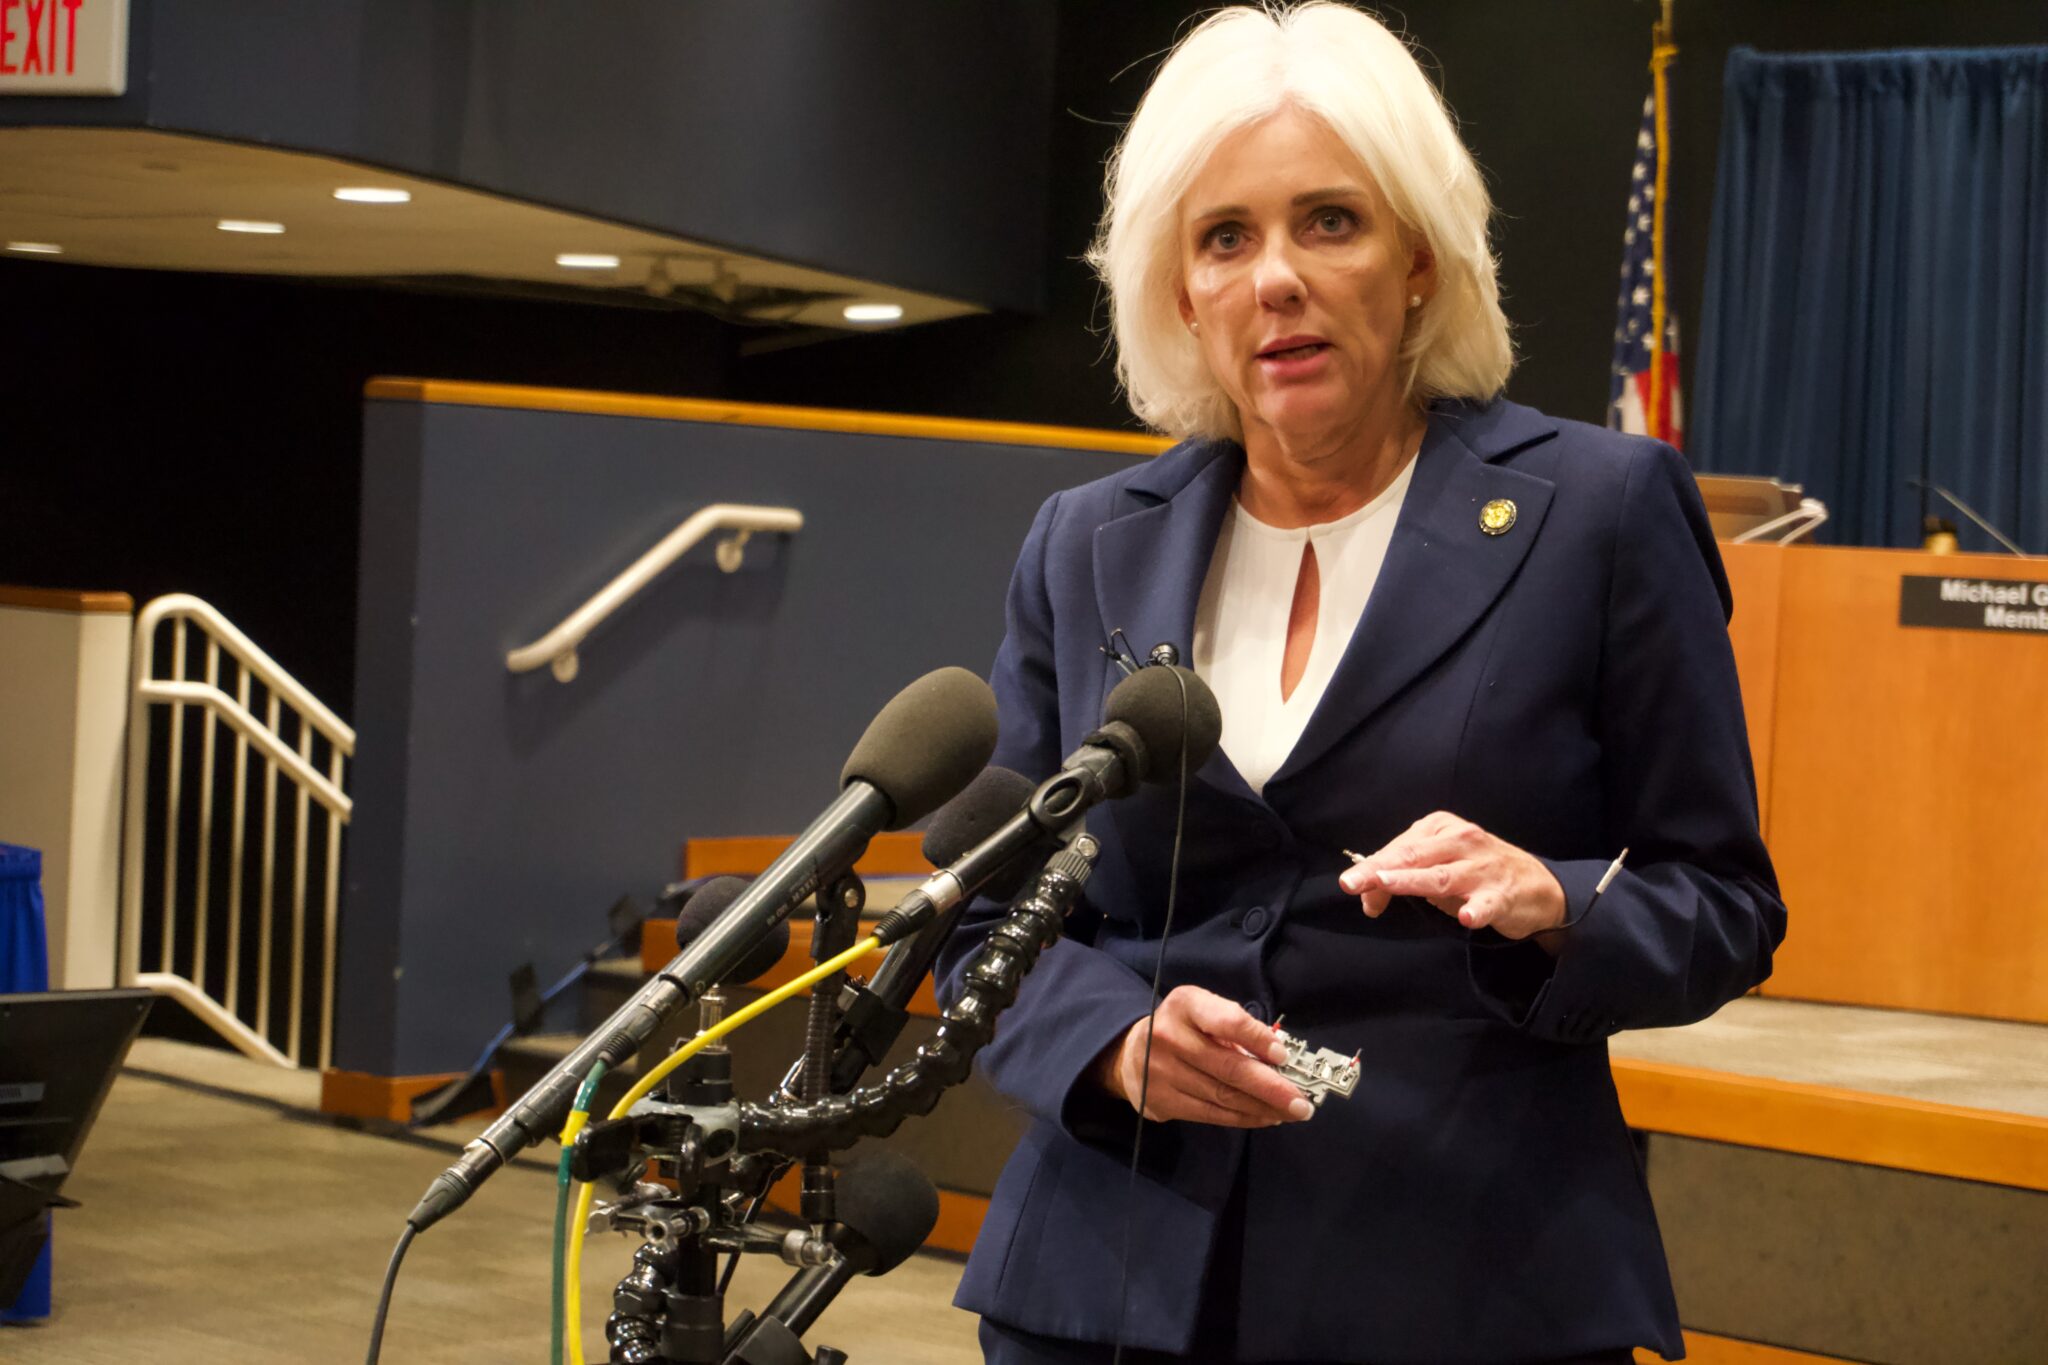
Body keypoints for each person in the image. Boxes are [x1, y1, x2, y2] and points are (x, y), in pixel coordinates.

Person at [934, 5, 1787, 1363]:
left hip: (1469, 1279)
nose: (1275, 276)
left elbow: (1726, 901)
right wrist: (1111, 1039)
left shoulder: (1603, 512)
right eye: (1225, 237)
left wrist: (1557, 900)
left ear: (1418, 265)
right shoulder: (1086, 543)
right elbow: (986, 916)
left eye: (1328, 220)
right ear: (1180, 294)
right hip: (1110, 1283)